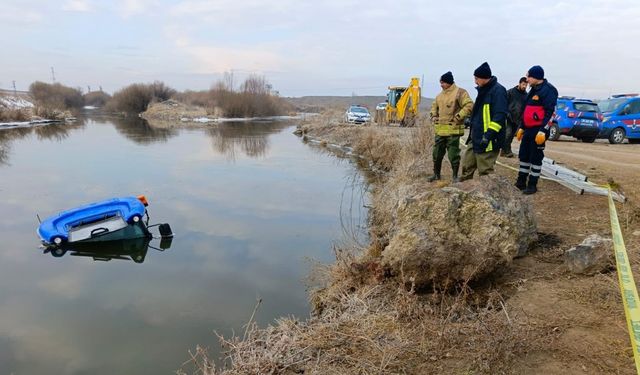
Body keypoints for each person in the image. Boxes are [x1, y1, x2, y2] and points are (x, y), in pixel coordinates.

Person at [460, 62, 508, 181]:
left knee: (485, 172)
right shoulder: (483, 91)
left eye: (476, 79)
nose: (475, 82)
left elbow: (500, 116)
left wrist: (488, 136)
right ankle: (464, 190)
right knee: (467, 165)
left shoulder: (498, 91)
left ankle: (488, 195)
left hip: (489, 140)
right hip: (476, 137)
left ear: (484, 78)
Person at [515, 65, 558, 194]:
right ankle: (521, 181)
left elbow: (551, 112)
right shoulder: (532, 90)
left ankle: (532, 184)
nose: (527, 79)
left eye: (529, 76)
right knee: (524, 155)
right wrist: (522, 127)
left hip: (538, 130)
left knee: (535, 157)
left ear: (536, 77)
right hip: (528, 129)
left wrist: (543, 130)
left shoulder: (548, 90)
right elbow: (526, 110)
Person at [428, 71, 473, 182]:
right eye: (440, 82)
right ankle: (436, 175)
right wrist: (433, 116)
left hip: (453, 131)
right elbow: (433, 107)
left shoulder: (460, 93)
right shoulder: (439, 96)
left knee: (453, 155)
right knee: (436, 154)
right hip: (440, 131)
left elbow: (469, 105)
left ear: (448, 82)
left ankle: (454, 177)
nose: (441, 85)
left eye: (442, 82)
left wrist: (459, 116)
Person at [502, 77, 528, 157]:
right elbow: (503, 102)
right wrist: (506, 113)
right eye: (523, 84)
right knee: (508, 134)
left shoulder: (526, 95)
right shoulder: (510, 92)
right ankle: (507, 151)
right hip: (508, 117)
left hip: (518, 119)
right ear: (519, 83)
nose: (524, 86)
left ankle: (504, 151)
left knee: (512, 135)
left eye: (526, 85)